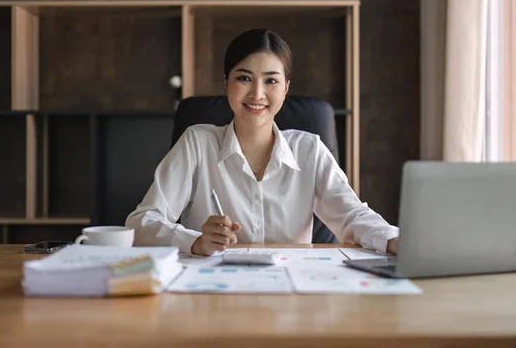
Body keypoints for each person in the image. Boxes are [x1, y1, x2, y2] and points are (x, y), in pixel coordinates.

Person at [125, 29, 399, 256]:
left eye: (271, 81)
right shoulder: (198, 142)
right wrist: (194, 241)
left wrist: (392, 240)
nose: (257, 93)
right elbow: (142, 222)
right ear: (226, 83)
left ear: (286, 88)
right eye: (244, 78)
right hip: (212, 294)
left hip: (291, 296)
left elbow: (351, 216)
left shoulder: (309, 150)